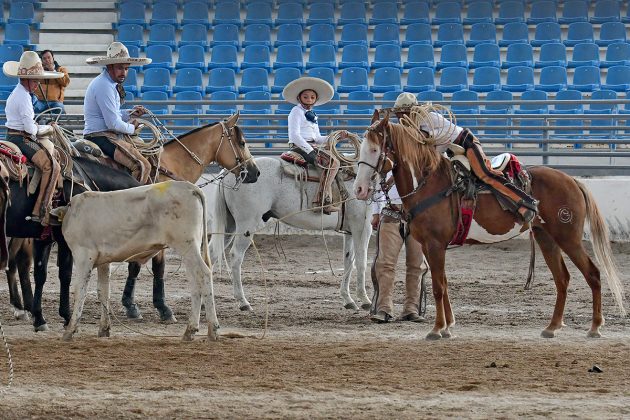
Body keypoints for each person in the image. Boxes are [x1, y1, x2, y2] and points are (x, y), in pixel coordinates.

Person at [394, 92, 538, 224]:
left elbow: (441, 140)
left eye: (402, 114)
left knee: (485, 174)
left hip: (467, 143)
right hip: (454, 149)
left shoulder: (430, 118)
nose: (400, 118)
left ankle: (525, 202)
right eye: (399, 115)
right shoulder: (417, 124)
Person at [3, 51, 64, 225]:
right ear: (26, 79)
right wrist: (48, 128)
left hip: (12, 135)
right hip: (21, 139)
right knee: (52, 165)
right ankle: (41, 211)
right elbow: (31, 129)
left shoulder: (18, 93)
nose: (38, 83)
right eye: (36, 80)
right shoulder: (23, 97)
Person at [83, 42, 152, 184]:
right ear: (110, 67)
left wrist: (130, 113)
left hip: (104, 134)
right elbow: (113, 123)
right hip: (100, 136)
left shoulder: (109, 84)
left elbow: (113, 113)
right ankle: (132, 202)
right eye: (120, 68)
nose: (124, 73)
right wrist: (133, 128)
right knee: (142, 165)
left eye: (126, 69)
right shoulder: (105, 86)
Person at [283, 76, 348, 214]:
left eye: (312, 97)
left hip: (312, 146)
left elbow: (318, 138)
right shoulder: (296, 112)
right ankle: (321, 200)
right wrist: (309, 149)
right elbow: (295, 136)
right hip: (300, 147)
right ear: (299, 98)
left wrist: (334, 136)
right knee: (332, 162)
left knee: (339, 162)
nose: (309, 100)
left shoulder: (312, 115)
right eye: (306, 97)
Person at [370, 170, 428, 323]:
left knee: (416, 264)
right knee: (385, 263)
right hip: (391, 213)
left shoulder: (423, 154)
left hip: (419, 215)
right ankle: (384, 308)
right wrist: (376, 212)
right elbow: (377, 182)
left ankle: (411, 309)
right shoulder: (387, 157)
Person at [33, 50, 70, 115]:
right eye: (44, 58)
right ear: (41, 60)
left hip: (55, 101)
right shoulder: (37, 70)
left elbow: (65, 83)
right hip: (40, 101)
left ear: (53, 58)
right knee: (33, 110)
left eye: (49, 57)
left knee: (60, 109)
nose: (47, 60)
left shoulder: (61, 69)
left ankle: (54, 124)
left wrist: (53, 70)